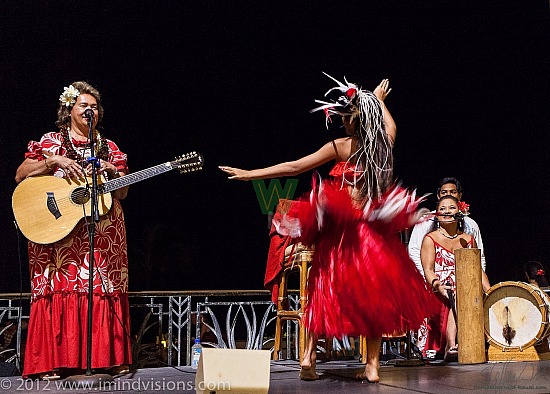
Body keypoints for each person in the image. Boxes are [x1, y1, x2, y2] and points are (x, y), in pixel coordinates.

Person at [220, 74, 438, 383]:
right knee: (374, 298)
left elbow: (295, 166)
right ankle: (372, 365)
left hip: (343, 236)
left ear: (352, 120)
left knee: (323, 290)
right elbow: (392, 126)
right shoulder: (383, 144)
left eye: (345, 119)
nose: (342, 124)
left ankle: (308, 355)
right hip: (373, 236)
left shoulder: (341, 146)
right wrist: (377, 100)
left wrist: (250, 174)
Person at [15, 82, 132, 379]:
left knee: (100, 287)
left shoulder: (110, 148)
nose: (89, 110)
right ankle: (51, 362)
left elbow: (123, 194)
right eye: (83, 105)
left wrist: (115, 173)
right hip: (56, 230)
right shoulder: (50, 141)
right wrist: (52, 160)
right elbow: (20, 175)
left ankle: (108, 358)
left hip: (102, 233)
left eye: (94, 106)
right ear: (69, 111)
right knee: (57, 287)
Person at [420, 195, 491, 361]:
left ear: (460, 212)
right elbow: (428, 270)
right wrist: (439, 286)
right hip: (439, 290)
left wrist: (490, 292)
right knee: (458, 292)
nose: (446, 211)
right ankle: (451, 345)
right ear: (437, 215)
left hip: (464, 286)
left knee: (466, 292)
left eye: (451, 207)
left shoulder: (468, 240)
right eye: (442, 209)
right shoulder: (430, 239)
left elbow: (477, 270)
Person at [408, 177, 487, 275]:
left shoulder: (471, 225)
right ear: (438, 196)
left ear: (460, 195)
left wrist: (477, 282)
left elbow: (479, 257)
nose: (448, 195)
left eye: (453, 192)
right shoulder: (426, 221)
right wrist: (427, 278)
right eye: (444, 192)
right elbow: (414, 251)